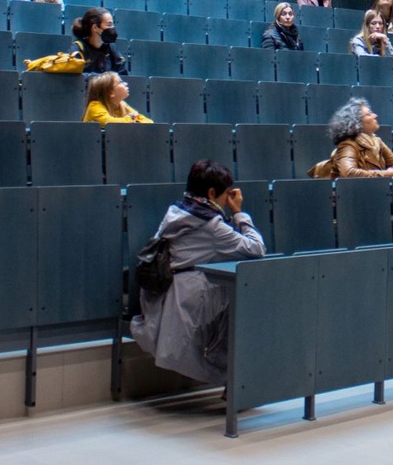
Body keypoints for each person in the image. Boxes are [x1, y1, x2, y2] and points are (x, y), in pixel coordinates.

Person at [130, 160, 265, 386]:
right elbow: (256, 248)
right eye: (226, 194)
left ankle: (231, 376)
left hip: (166, 293)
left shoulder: (177, 210)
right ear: (212, 193)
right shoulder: (211, 225)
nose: (228, 200)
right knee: (245, 294)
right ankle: (233, 376)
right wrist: (239, 213)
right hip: (189, 295)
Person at [309, 99, 393, 178]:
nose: (375, 116)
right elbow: (348, 173)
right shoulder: (348, 145)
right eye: (369, 114)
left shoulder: (376, 141)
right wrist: (385, 174)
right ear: (357, 122)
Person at [72, 7, 126, 75]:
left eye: (112, 24)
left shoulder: (110, 46)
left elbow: (122, 72)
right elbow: (75, 77)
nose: (112, 28)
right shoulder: (79, 48)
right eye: (109, 25)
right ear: (95, 28)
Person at [82, 72, 152, 124]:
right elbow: (111, 124)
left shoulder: (122, 104)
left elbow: (148, 122)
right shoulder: (94, 106)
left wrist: (133, 118)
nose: (126, 84)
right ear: (111, 93)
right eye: (120, 82)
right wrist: (132, 118)